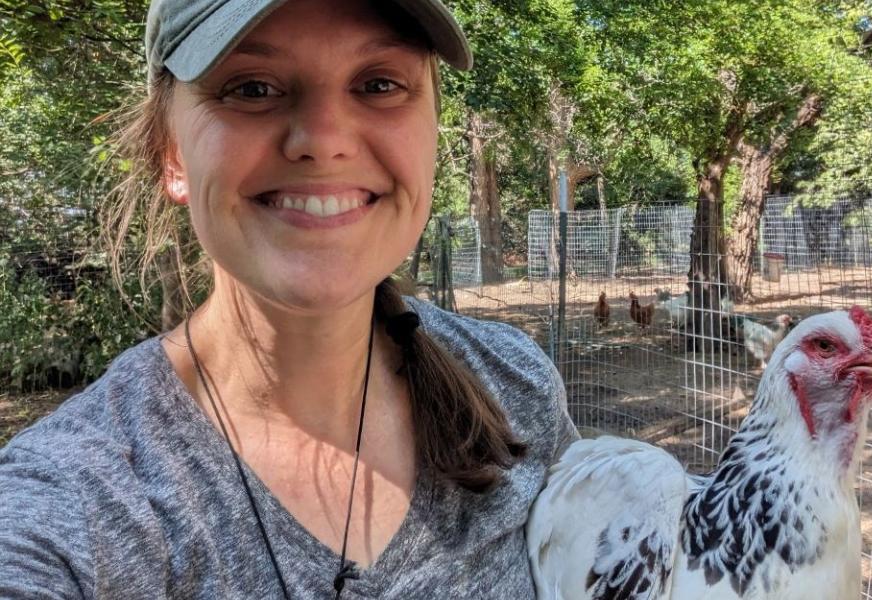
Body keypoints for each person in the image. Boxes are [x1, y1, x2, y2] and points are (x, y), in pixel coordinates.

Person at [0, 1, 578, 598]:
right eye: (252, 88)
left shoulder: (517, 387)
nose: (323, 141)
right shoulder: (73, 501)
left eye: (379, 84)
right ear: (172, 154)